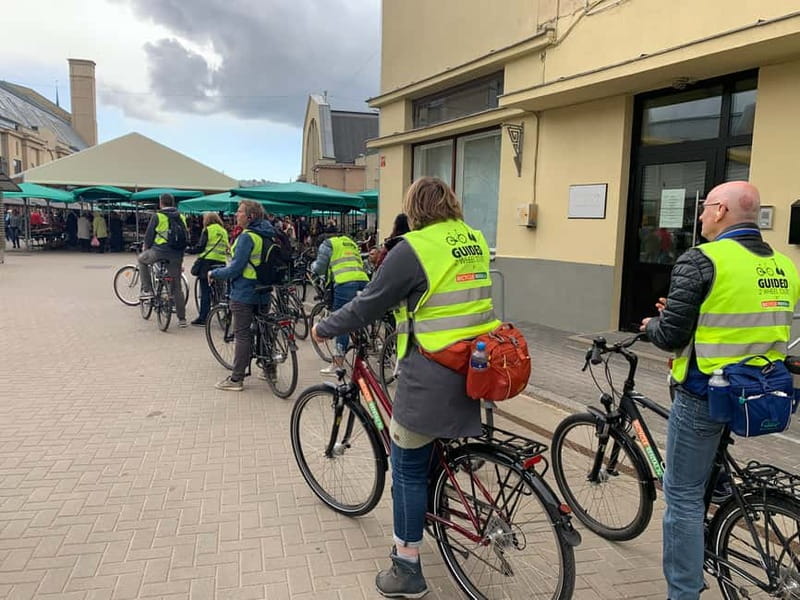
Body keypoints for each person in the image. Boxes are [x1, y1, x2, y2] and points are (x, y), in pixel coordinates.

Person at [311, 176, 500, 597]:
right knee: (430, 454)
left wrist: (325, 326)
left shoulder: (413, 249)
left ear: (414, 209)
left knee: (407, 471)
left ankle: (407, 569)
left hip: (432, 373)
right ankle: (436, 510)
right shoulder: (472, 238)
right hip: (476, 365)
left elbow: (367, 303)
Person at [640, 181, 800, 600]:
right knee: (705, 483)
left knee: (684, 497)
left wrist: (652, 326)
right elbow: (741, 317)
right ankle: (716, 537)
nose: (701, 216)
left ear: (723, 211)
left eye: (706, 208)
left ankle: (683, 593)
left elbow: (672, 335)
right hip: (760, 393)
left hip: (706, 394)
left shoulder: (703, 259)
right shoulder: (784, 266)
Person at [208, 200, 278, 391]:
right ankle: (270, 370)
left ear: (250, 216)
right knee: (264, 330)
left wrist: (215, 274)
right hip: (263, 290)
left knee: (242, 335)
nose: (236, 215)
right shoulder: (268, 234)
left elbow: (236, 268)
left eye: (239, 212)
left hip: (244, 291)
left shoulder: (247, 237)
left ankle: (236, 379)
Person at [311, 228, 369, 376]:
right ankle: (368, 346)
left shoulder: (327, 244)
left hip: (344, 283)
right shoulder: (349, 242)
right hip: (362, 280)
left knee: (341, 321)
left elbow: (320, 267)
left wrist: (312, 267)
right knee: (360, 315)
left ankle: (337, 364)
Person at [138, 193, 189, 327]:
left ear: (161, 203)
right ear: (173, 203)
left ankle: (148, 289)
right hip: (176, 254)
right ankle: (182, 319)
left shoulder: (157, 216)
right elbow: (185, 237)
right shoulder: (181, 216)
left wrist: (145, 248)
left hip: (159, 252)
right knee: (177, 286)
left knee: (142, 260)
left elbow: (149, 236)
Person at [189, 212, 230, 326]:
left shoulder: (208, 230)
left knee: (205, 291)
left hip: (207, 263)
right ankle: (225, 312)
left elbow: (201, 246)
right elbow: (227, 247)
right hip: (221, 262)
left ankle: (203, 318)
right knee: (221, 289)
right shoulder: (223, 231)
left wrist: (190, 250)